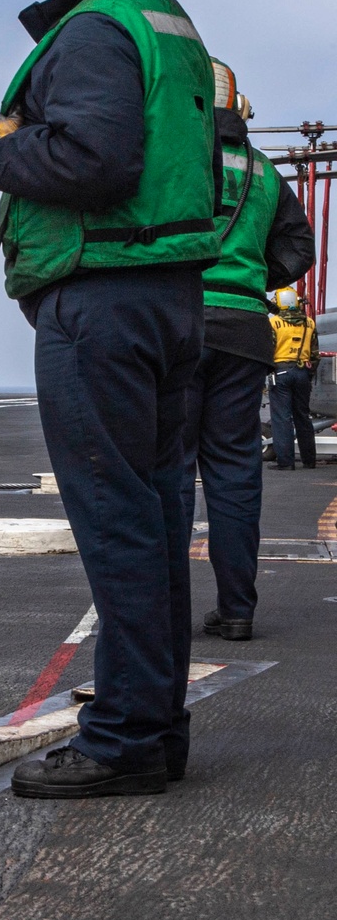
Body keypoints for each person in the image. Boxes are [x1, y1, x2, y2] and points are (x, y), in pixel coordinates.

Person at [0, 0, 220, 798]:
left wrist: (1, 146)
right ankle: (151, 727)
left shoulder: (94, 30)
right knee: (153, 519)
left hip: (100, 302)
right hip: (168, 298)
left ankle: (122, 739)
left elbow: (93, 160)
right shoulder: (171, 28)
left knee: (119, 522)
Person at [182, 61, 315, 644]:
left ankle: (156, 614)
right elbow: (299, 244)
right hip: (244, 329)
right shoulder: (263, 171)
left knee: (167, 470)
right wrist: (255, 277)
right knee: (234, 473)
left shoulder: (172, 154)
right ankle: (237, 609)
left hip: (177, 318)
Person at [269, 287, 320, 471]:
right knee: (303, 416)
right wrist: (309, 373)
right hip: (302, 373)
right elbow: (315, 354)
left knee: (282, 418)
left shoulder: (274, 323)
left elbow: (268, 350)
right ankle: (309, 460)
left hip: (281, 372)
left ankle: (286, 461)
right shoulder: (309, 323)